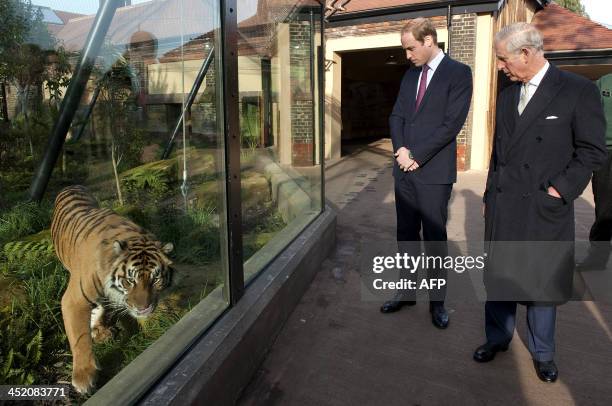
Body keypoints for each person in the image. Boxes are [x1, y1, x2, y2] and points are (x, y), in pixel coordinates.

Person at [476, 23, 606, 383]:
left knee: (541, 284)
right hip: (505, 204)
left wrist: (560, 191)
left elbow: (591, 151)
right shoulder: (506, 94)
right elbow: (498, 154)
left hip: (542, 205)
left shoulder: (577, 91)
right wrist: (489, 194)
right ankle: (497, 337)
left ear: (526, 54)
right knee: (500, 278)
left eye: (503, 59)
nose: (500, 66)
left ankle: (543, 353)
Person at [381, 17, 472, 330]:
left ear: (430, 40)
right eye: (405, 49)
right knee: (405, 236)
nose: (407, 55)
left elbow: (451, 124)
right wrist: (402, 151)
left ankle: (437, 303)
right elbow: (396, 116)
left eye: (411, 48)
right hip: (404, 170)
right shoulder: (410, 75)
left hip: (434, 173)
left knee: (434, 238)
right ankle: (405, 294)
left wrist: (417, 156)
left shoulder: (459, 73)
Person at [577, 73, 612, 271]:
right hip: (606, 152)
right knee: (605, 209)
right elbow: (589, 114)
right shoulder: (603, 83)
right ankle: (598, 258)